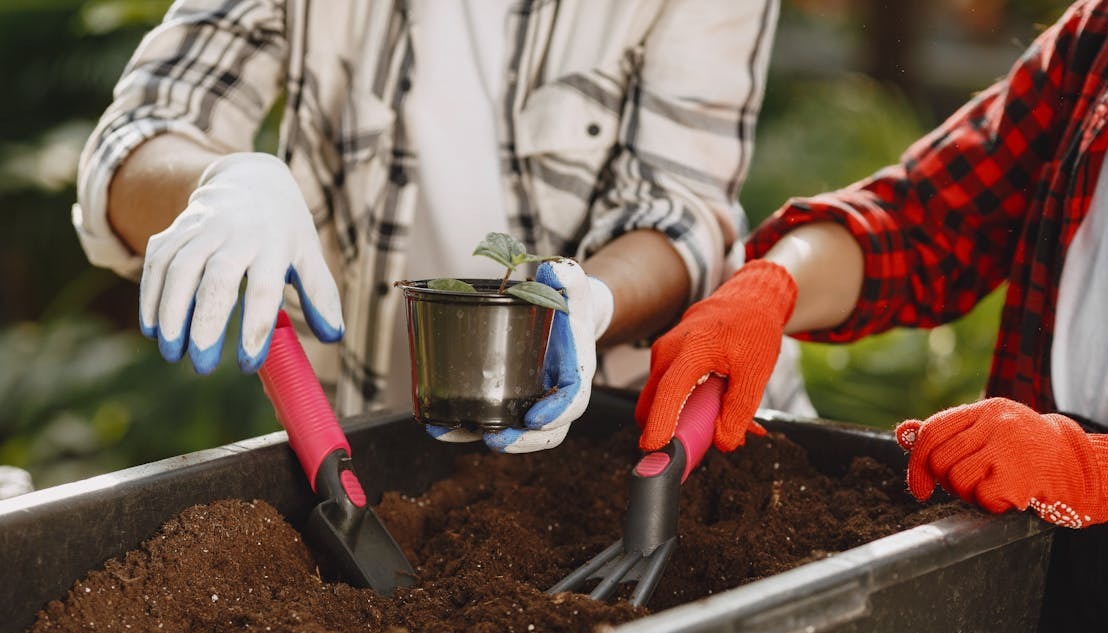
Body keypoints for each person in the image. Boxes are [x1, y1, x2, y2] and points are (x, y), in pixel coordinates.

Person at [635, 1, 1108, 633]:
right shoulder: (1104, 44)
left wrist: (1099, 473)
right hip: (1051, 551)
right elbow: (925, 218)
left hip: (1082, 481)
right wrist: (771, 288)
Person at [72, 0, 813, 454]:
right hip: (380, 425)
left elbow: (678, 206)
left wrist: (584, 306)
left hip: (646, 429)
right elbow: (141, 131)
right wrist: (224, 182)